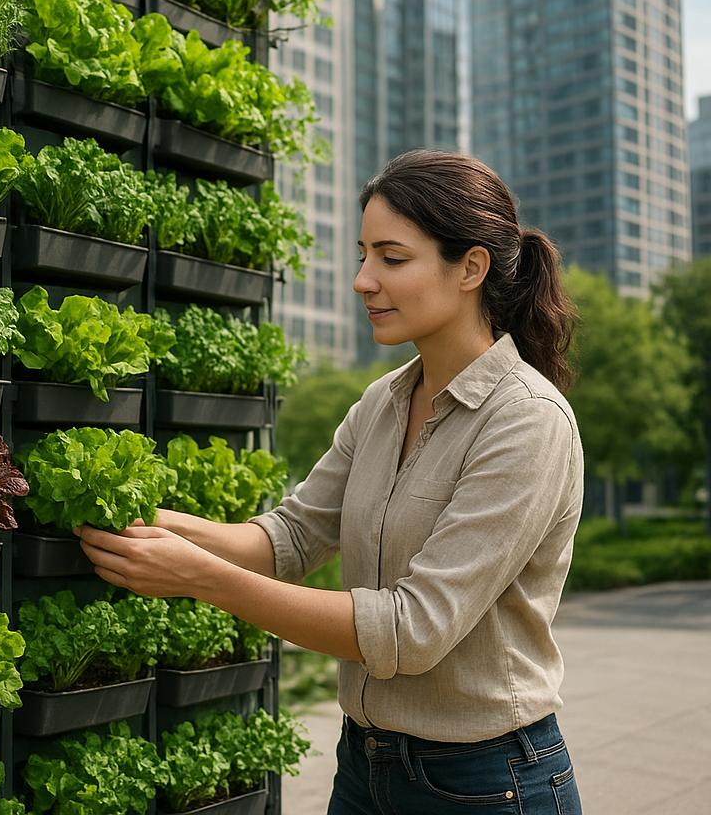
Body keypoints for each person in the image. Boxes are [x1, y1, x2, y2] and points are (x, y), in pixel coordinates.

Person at [76, 149, 585, 815]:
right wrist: (161, 525)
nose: (364, 280)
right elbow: (291, 536)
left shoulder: (526, 420)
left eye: (392, 258)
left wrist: (199, 577)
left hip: (488, 783)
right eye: (363, 254)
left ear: (471, 268)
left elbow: (411, 629)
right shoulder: (382, 404)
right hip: (364, 766)